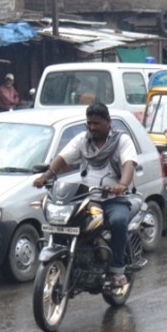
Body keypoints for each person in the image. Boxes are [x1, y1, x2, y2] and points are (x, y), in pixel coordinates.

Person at [33, 102, 136, 287]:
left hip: (114, 199)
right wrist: (46, 176)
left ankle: (117, 270)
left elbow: (129, 164)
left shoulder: (122, 140)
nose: (92, 127)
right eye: (89, 123)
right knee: (63, 223)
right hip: (87, 199)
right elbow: (63, 158)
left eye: (96, 123)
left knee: (119, 222)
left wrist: (122, 185)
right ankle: (67, 263)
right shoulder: (82, 140)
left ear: (108, 121)